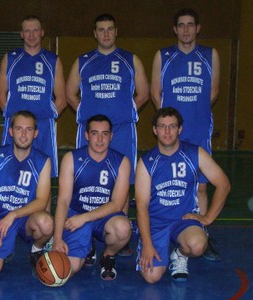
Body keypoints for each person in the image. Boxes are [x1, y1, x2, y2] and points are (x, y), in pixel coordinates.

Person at [150, 8, 221, 261]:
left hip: (199, 131)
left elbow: (213, 92)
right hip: (172, 134)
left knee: (201, 187)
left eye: (190, 25)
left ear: (198, 28)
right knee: (168, 186)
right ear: (175, 29)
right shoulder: (164, 56)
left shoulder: (210, 55)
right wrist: (170, 126)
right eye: (181, 25)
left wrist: (193, 113)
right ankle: (165, 231)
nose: (186, 29)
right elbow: (155, 93)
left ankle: (202, 231)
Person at [135, 107, 230, 283]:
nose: (167, 131)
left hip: (183, 220)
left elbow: (223, 184)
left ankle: (179, 255)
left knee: (197, 245)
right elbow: (141, 207)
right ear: (155, 130)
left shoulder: (195, 153)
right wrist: (147, 244)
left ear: (180, 129)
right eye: (162, 126)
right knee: (151, 277)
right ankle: (150, 246)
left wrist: (207, 218)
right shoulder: (146, 162)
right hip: (156, 222)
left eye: (172, 126)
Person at [66, 13, 149, 189]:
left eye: (110, 29)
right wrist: (84, 114)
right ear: (95, 33)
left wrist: (126, 112)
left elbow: (143, 94)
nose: (106, 34)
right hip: (92, 132)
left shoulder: (131, 60)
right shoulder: (83, 61)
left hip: (122, 129)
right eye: (101, 30)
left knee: (123, 180)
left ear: (116, 32)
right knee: (86, 178)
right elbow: (69, 94)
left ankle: (121, 216)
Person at [52, 114, 132, 280]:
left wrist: (85, 218)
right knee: (70, 268)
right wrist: (57, 239)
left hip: (104, 217)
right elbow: (63, 201)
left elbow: (117, 204)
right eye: (95, 133)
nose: (100, 139)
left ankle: (107, 256)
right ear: (87, 135)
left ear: (111, 136)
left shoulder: (122, 162)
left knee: (123, 229)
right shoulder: (71, 159)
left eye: (105, 134)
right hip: (76, 215)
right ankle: (88, 246)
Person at [0, 110, 53, 279]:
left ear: (36, 134)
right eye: (19, 129)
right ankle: (5, 248)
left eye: (28, 130)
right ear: (11, 132)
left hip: (27, 219)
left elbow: (42, 201)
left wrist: (14, 214)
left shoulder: (43, 161)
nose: (24, 134)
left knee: (46, 223)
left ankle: (37, 249)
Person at [0, 15, 66, 178]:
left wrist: (46, 115)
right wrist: (15, 123)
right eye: (27, 31)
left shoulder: (53, 60)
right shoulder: (10, 58)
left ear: (42, 33)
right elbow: (0, 95)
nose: (31, 35)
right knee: (8, 173)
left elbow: (61, 99)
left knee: (44, 175)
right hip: (16, 128)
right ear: (21, 34)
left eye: (35, 30)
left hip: (43, 126)